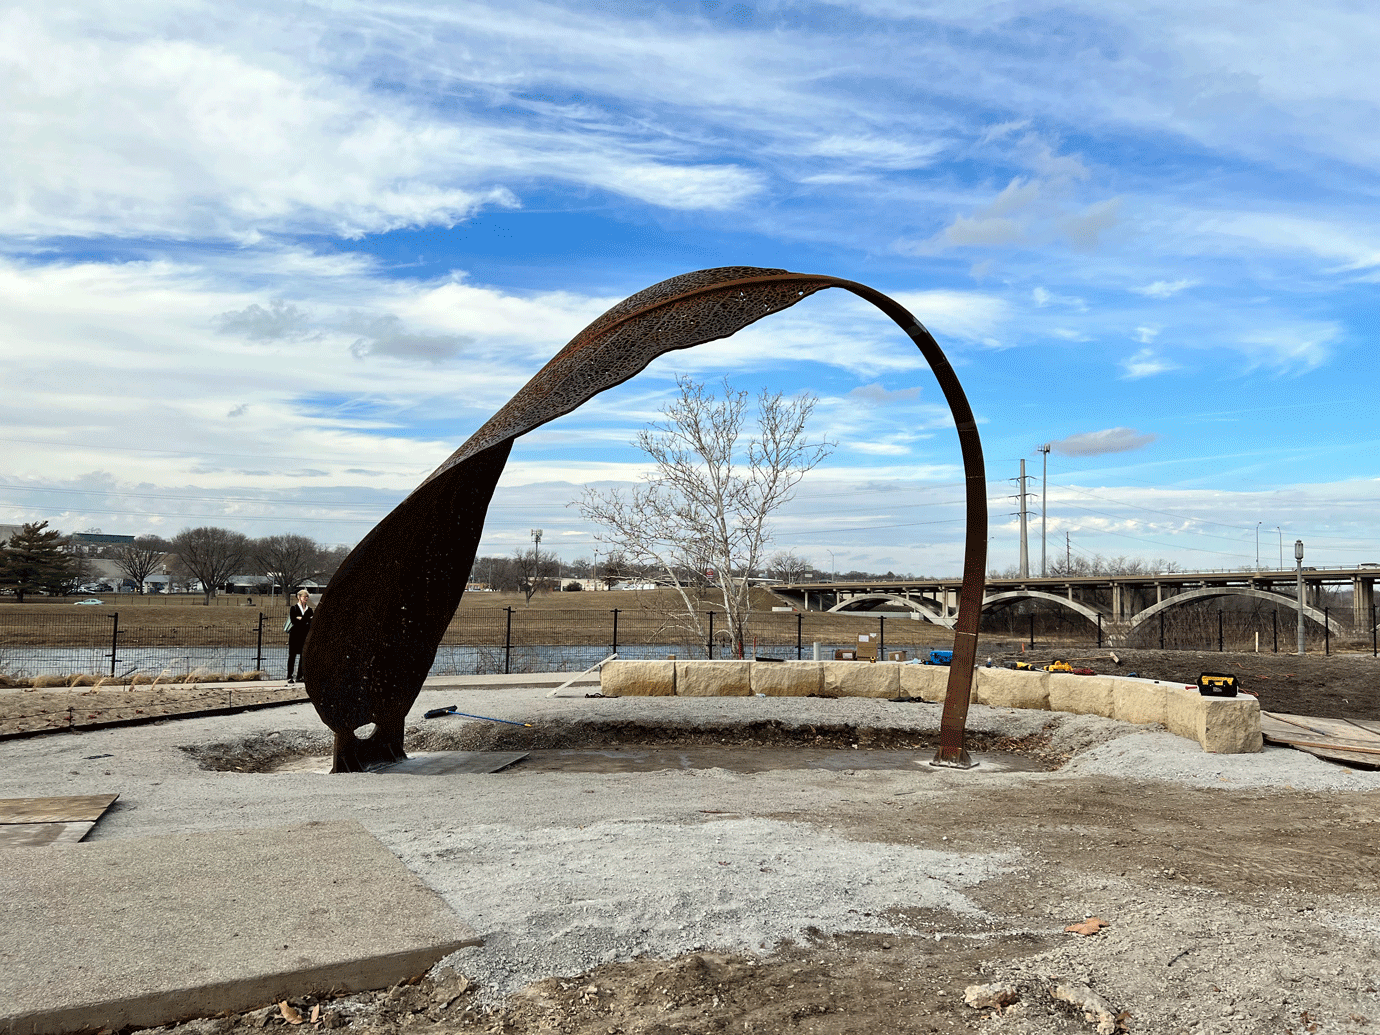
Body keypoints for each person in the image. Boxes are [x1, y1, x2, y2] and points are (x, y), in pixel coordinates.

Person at [286, 589, 314, 683]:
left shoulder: (309, 609)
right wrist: (304, 620)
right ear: (299, 597)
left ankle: (299, 676)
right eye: (304, 596)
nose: (306, 598)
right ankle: (290, 676)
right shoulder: (293, 608)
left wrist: (301, 619)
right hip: (294, 636)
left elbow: (310, 622)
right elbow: (294, 621)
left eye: (307, 596)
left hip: (305, 636)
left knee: (303, 656)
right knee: (292, 656)